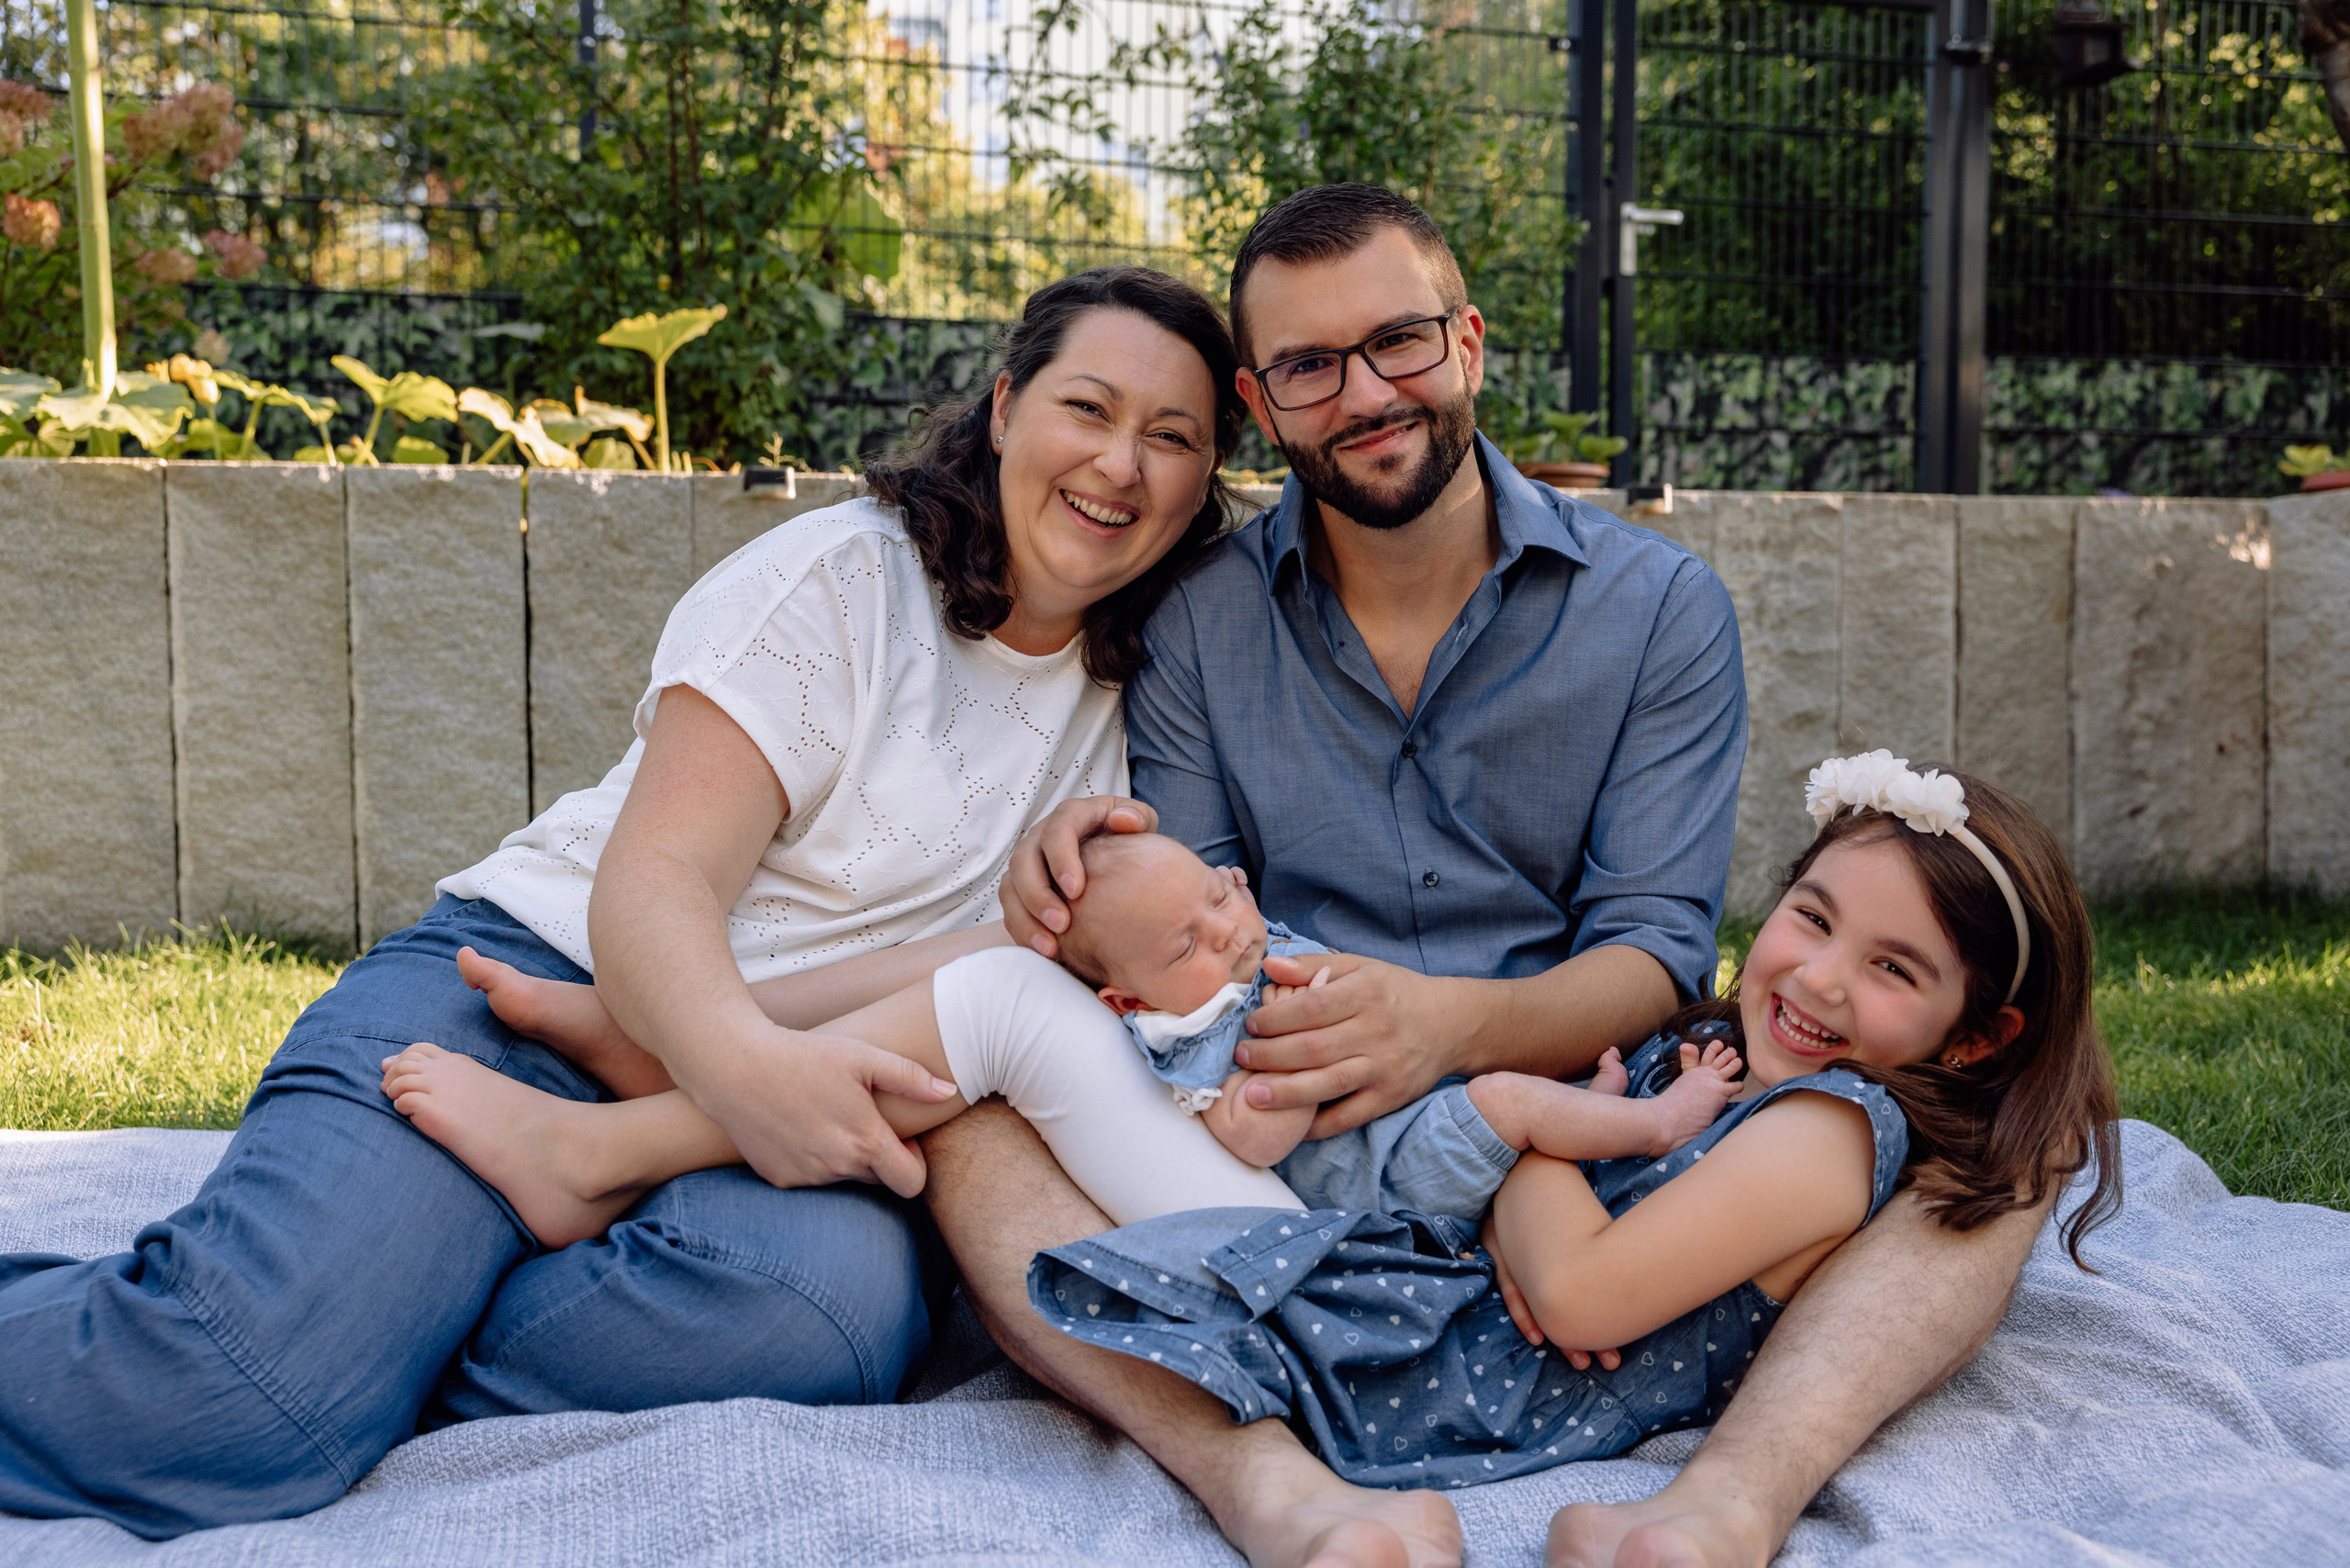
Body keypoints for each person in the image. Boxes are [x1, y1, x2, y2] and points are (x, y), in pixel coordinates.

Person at [0, 265, 1252, 1539]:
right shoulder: (851, 579)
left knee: (820, 1316)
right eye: (1087, 409)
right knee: (241, 1396)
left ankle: (367, 1343)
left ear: (1208, 482)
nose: (1120, 465)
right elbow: (653, 880)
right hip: (531, 995)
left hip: (767, 1114)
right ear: (1001, 409)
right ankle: (312, 1345)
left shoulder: (1152, 706)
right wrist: (736, 1064)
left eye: (1173, 438)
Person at [914, 182, 2058, 1568]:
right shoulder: (1198, 619)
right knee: (972, 1126)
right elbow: (1193, 926)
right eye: (1308, 368)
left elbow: (1651, 952)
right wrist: (1101, 867)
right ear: (1259, 403)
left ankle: (1727, 1502)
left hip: (1581, 1114)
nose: (1364, 394)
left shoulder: (1656, 612)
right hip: (1294, 1142)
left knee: (2009, 1145)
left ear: (1467, 341)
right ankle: (1270, 1488)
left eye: (1397, 342)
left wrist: (1450, 1032)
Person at [1031, 756, 2121, 1498]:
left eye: (1893, 968)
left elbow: (1579, 1293)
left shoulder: (1832, 1126)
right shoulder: (1724, 1062)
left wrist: (1541, 1141)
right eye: (1813, 919)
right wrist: (1551, 1152)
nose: (1822, 980)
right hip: (1448, 1294)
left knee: (1039, 1108)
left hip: (1457, 1375)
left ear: (1975, 1038)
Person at [376, 830, 1744, 1242]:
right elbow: (1240, 1105)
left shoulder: (1246, 975)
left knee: (999, 1001)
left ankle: (611, 1132)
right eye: (1195, 942)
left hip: (1292, 1227)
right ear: (1137, 1008)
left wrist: (1319, 1043)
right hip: (1261, 1169)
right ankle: (656, 1043)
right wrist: (1279, 1073)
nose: (1231, 927)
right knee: (1002, 969)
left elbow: (1275, 1121)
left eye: (1227, 899)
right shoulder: (1192, 1024)